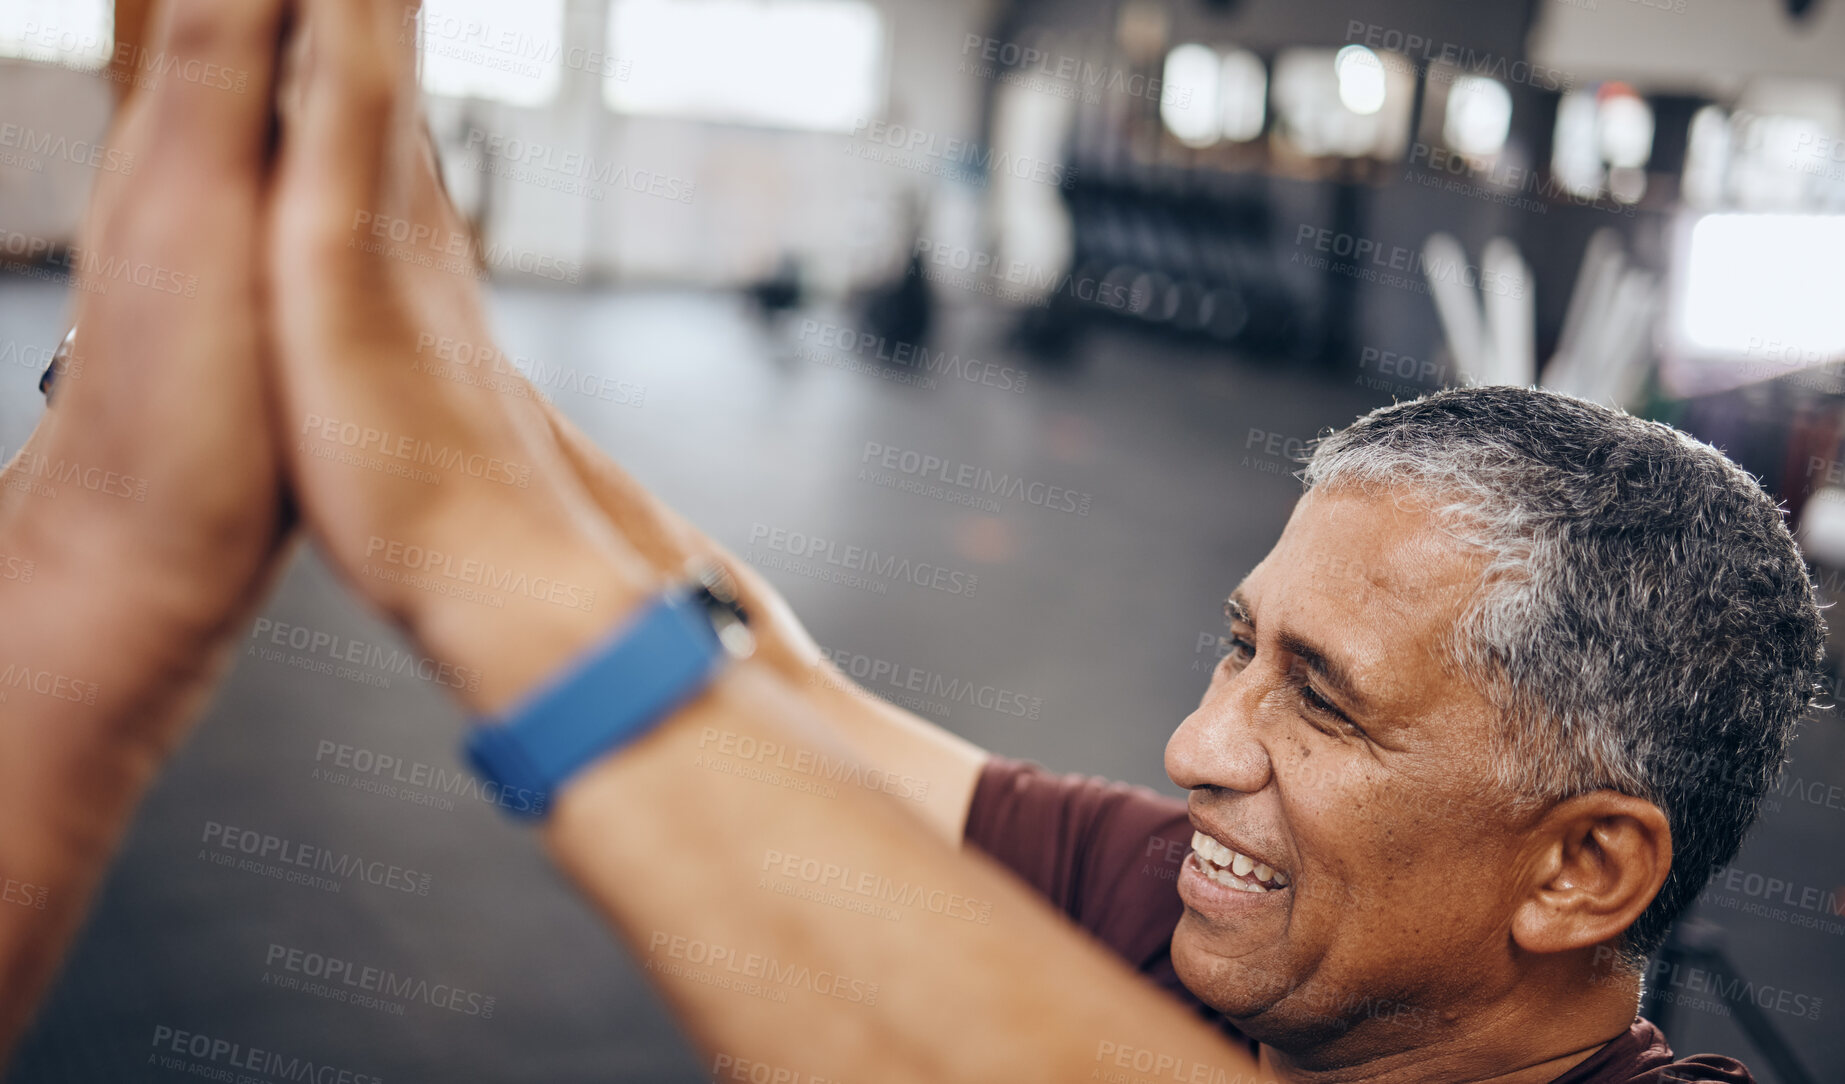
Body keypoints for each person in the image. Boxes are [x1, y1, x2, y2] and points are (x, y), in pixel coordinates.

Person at [0, 2, 1823, 1082]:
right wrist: (405, 336)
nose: (1197, 750)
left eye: (1324, 707)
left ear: (1583, 870)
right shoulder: (1195, 908)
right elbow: (769, 684)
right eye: (1236, 645)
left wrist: (459, 534)